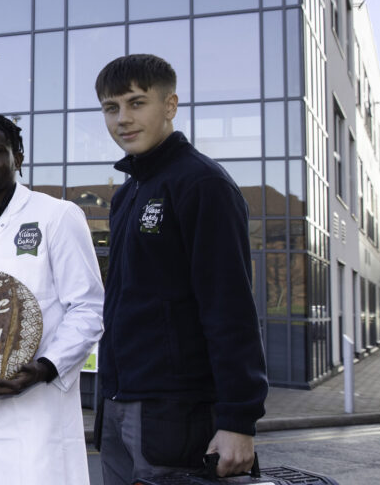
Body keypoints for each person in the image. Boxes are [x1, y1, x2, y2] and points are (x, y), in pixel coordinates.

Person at [94, 54, 268, 483]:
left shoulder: (202, 184)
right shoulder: (127, 194)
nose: (123, 119)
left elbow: (229, 308)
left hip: (176, 411)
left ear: (169, 105)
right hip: (118, 403)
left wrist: (238, 421)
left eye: (137, 103)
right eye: (111, 108)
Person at [0, 113, 105, 484]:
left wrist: (45, 367)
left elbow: (89, 308)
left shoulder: (56, 217)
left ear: (18, 157)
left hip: (38, 413)